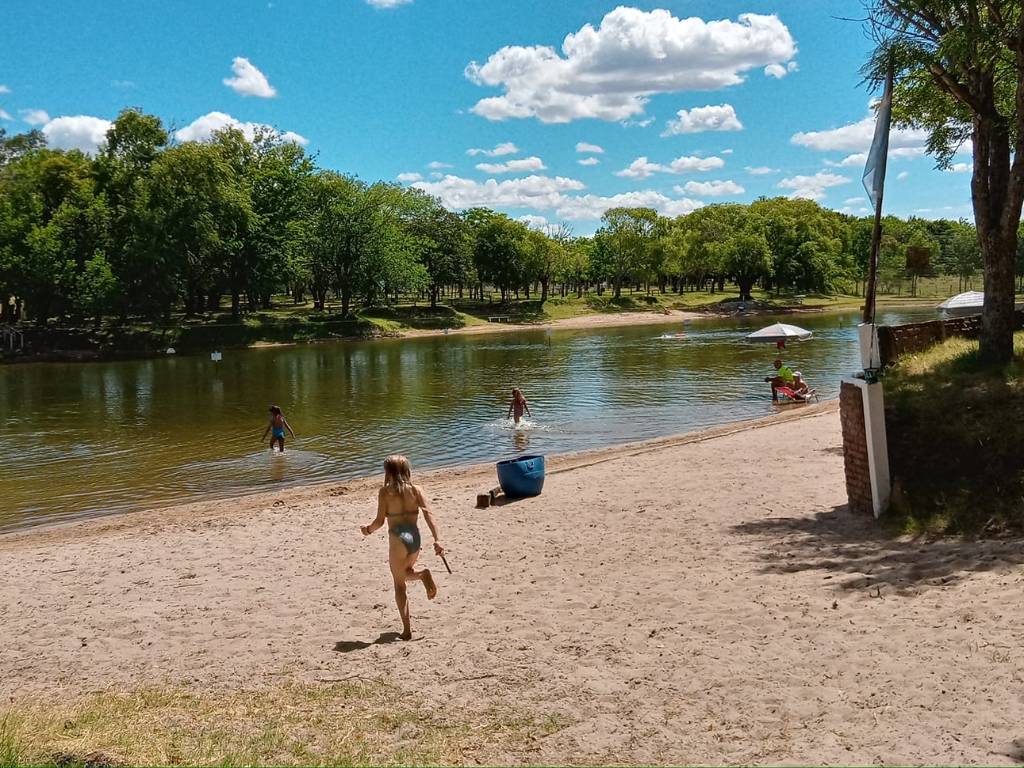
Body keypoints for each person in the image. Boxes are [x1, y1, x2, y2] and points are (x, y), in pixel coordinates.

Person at [360, 455, 444, 640]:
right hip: (414, 538)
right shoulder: (416, 490)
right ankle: (422, 575)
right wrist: (437, 539)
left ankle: (406, 630)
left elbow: (379, 521)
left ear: (388, 472)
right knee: (406, 572)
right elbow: (428, 514)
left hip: (398, 539)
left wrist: (367, 530)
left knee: (399, 584)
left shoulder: (385, 492)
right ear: (407, 470)